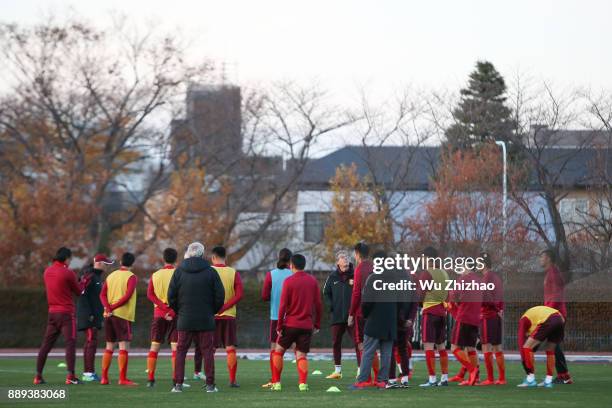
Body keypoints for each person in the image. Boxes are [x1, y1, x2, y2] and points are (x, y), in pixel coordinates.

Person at [168, 242, 225, 393]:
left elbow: (171, 297)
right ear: (202, 254)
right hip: (205, 318)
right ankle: (210, 385)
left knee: (181, 351)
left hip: (185, 318)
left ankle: (178, 384)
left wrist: (180, 311)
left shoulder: (179, 271)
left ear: (189, 253)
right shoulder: (211, 271)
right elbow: (220, 296)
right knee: (207, 352)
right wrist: (212, 310)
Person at [349, 251, 408, 390]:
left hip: (375, 319)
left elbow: (366, 301)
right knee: (387, 353)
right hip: (390, 320)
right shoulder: (395, 278)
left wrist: (365, 314)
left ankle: (362, 380)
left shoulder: (373, 277)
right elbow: (402, 300)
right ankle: (382, 380)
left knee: (368, 351)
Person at [34, 247, 89, 385]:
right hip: (66, 314)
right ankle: (71, 376)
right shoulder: (68, 272)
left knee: (46, 345)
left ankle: (38, 376)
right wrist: (83, 282)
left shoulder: (47, 271)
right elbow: (79, 292)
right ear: (66, 258)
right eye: (70, 259)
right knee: (70, 343)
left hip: (52, 313)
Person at [270, 254, 322, 392]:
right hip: (306, 326)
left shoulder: (288, 281)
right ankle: (302, 384)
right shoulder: (312, 281)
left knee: (278, 352)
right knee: (301, 355)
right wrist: (317, 324)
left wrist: (279, 325)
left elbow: (282, 306)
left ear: (292, 265)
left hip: (290, 325)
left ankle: (276, 383)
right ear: (304, 265)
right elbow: (318, 305)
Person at [99, 252, 138, 386]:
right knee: (123, 346)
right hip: (122, 315)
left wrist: (108, 308)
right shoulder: (131, 277)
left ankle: (104, 378)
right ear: (132, 264)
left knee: (109, 346)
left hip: (108, 315)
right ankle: (122, 379)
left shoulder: (111, 275)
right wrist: (114, 307)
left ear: (121, 262)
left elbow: (102, 295)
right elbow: (127, 296)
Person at [146, 248, 182, 388]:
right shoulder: (179, 273)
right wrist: (171, 311)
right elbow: (181, 295)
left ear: (163, 259)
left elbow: (150, 295)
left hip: (159, 314)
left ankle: (150, 380)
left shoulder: (155, 275)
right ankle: (175, 380)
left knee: (154, 346)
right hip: (175, 315)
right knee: (175, 348)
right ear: (176, 259)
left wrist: (163, 308)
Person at [77, 253, 114, 382]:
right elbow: (82, 295)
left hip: (94, 316)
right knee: (90, 343)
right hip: (89, 316)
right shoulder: (90, 276)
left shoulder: (96, 277)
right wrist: (89, 314)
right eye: (106, 264)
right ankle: (88, 373)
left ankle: (89, 371)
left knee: (91, 343)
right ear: (99, 263)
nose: (108, 267)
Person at [417, 246, 450, 387]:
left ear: (427, 258)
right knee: (441, 346)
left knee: (428, 346)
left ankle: (432, 379)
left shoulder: (426, 273)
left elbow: (420, 294)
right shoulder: (444, 272)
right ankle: (444, 377)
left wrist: (420, 303)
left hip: (430, 312)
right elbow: (448, 294)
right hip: (442, 312)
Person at [323, 251, 358, 379]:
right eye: (343, 259)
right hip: (337, 317)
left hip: (352, 316)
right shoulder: (332, 277)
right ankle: (337, 371)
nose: (345, 261)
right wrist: (331, 306)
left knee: (358, 342)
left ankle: (360, 370)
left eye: (347, 259)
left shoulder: (355, 275)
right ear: (338, 262)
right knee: (336, 342)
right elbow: (326, 293)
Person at [211, 245, 243, 388]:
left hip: (211, 316)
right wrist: (225, 307)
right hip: (229, 316)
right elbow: (239, 294)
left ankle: (210, 380)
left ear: (213, 257)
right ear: (226, 257)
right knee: (230, 348)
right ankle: (232, 380)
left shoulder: (208, 271)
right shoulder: (233, 272)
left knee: (210, 350)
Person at [261, 248, 293, 388]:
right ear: (290, 260)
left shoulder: (271, 275)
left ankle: (275, 380)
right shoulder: (293, 274)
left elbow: (264, 296)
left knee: (274, 349)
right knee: (298, 349)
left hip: (276, 317)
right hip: (293, 317)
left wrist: (274, 297)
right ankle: (302, 381)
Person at [447, 263, 483, 387]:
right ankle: (475, 379)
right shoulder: (479, 281)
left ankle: (472, 370)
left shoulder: (463, 279)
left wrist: (454, 300)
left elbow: (453, 295)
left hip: (464, 317)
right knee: (471, 348)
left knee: (455, 348)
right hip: (475, 318)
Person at [540, 249, 573, 384]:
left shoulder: (554, 273)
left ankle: (564, 375)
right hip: (554, 313)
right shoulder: (551, 273)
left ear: (548, 258)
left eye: (542, 256)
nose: (540, 259)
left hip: (556, 314)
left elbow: (557, 296)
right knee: (553, 344)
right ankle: (563, 375)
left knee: (552, 344)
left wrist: (548, 312)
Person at [347, 242, 378, 380]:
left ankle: (366, 378)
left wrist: (351, 313)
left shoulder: (359, 269)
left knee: (361, 345)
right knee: (373, 345)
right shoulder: (375, 267)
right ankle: (378, 377)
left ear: (357, 253)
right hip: (376, 312)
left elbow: (356, 294)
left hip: (361, 312)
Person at [517, 305, 565, 388]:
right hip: (560, 319)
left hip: (549, 319)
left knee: (526, 347)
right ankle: (548, 381)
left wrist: (524, 359)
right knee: (550, 349)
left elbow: (521, 341)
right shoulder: (534, 321)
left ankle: (530, 380)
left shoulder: (523, 321)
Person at [478, 252, 506, 385]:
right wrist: (500, 309)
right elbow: (500, 296)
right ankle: (502, 378)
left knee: (486, 347)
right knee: (497, 347)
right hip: (496, 316)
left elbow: (485, 297)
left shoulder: (485, 278)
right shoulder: (497, 277)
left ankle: (490, 378)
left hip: (487, 316)